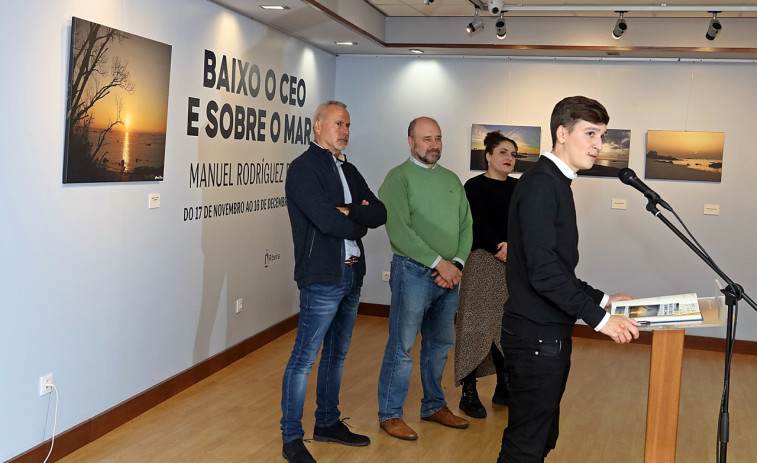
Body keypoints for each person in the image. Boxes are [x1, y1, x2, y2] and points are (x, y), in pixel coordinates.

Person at [497, 96, 641, 463]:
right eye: (590, 133)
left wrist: (605, 299)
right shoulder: (542, 185)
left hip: (544, 333)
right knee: (525, 446)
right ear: (562, 133)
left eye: (603, 136)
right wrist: (603, 320)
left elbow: (557, 269)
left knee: (541, 438)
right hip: (535, 337)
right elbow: (543, 274)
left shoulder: (554, 182)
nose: (598, 145)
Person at [281, 100, 387, 463]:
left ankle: (326, 423)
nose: (344, 131)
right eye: (338, 124)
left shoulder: (349, 169)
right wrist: (358, 222)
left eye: (348, 125)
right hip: (322, 276)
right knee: (304, 358)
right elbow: (326, 222)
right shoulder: (303, 168)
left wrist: (353, 212)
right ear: (317, 126)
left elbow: (380, 212)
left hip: (352, 273)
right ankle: (292, 438)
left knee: (336, 356)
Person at [377, 116, 473, 441]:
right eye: (426, 139)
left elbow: (466, 226)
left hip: (450, 277)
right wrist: (439, 264)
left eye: (438, 138)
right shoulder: (397, 179)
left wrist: (456, 263)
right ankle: (390, 414)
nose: (433, 145)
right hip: (413, 274)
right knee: (402, 346)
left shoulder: (451, 179)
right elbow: (399, 230)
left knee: (440, 344)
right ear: (411, 142)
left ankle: (434, 405)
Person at [454, 131, 518, 419]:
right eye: (503, 152)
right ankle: (469, 393)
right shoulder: (474, 186)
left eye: (513, 154)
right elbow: (475, 224)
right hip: (481, 263)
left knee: (506, 328)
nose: (509, 159)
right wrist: (499, 246)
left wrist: (512, 246)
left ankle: (504, 388)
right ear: (489, 156)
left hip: (512, 264)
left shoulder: (519, 188)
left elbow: (526, 224)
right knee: (475, 327)